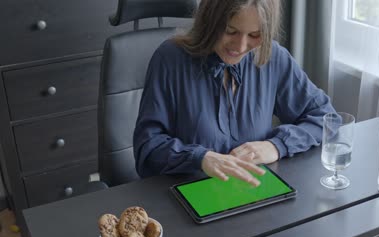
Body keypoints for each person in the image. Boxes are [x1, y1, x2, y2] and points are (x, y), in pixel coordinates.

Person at [133, 0, 336, 187]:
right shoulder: (169, 60)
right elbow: (148, 147)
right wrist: (200, 158)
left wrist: (277, 145)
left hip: (253, 197)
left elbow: (326, 118)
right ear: (210, 22)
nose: (240, 47)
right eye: (230, 31)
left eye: (255, 35)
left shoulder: (274, 58)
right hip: (186, 198)